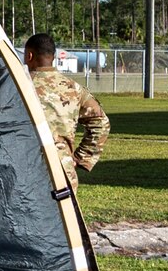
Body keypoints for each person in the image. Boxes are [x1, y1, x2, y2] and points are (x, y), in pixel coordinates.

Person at [24, 32, 111, 188]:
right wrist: (79, 158)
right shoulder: (74, 89)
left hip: (23, 170)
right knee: (63, 212)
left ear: (29, 55)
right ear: (53, 57)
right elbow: (101, 122)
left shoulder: (17, 87)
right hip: (63, 173)